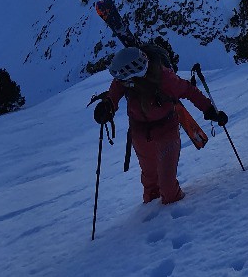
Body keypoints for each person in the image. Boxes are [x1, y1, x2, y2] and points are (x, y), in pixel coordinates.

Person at [93, 46, 228, 205]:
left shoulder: (164, 78)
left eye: (123, 78)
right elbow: (114, 94)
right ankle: (152, 218)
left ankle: (181, 216)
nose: (120, 81)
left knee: (168, 189)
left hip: (166, 131)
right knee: (151, 186)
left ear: (134, 72)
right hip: (140, 132)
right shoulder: (125, 79)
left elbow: (188, 91)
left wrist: (209, 110)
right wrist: (107, 106)